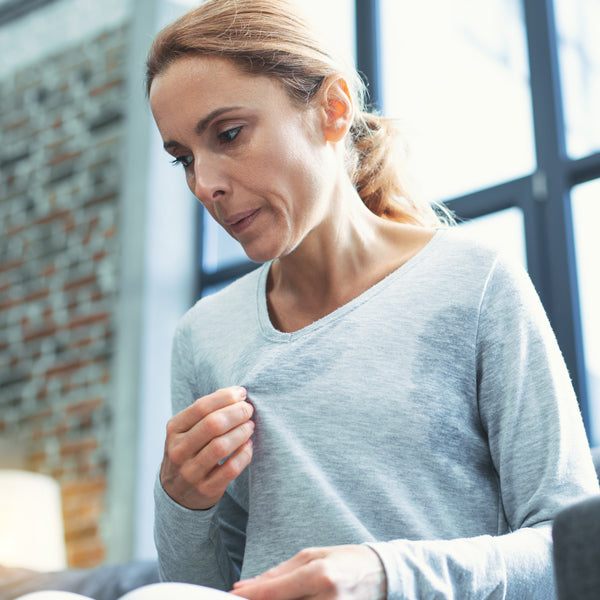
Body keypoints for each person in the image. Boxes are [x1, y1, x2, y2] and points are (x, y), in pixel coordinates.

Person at [146, 1, 599, 598]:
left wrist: (388, 575)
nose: (204, 184)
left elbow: (573, 553)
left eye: (228, 135)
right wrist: (180, 501)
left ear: (332, 110)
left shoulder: (475, 282)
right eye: (183, 159)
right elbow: (198, 589)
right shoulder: (204, 336)